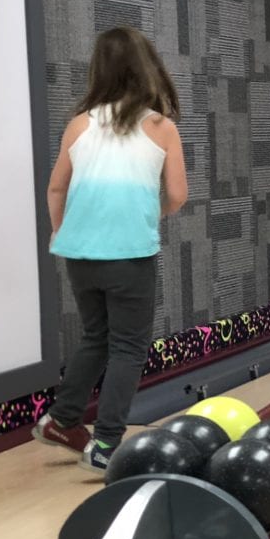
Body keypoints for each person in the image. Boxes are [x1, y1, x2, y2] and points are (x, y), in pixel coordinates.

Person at [32, 27, 188, 472]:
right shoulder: (161, 128)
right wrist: (144, 214)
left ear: (98, 71)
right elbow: (177, 195)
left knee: (96, 337)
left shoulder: (80, 124)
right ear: (147, 69)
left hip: (79, 255)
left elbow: (55, 188)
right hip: (129, 256)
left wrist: (64, 231)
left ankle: (62, 421)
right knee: (127, 348)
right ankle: (104, 445)